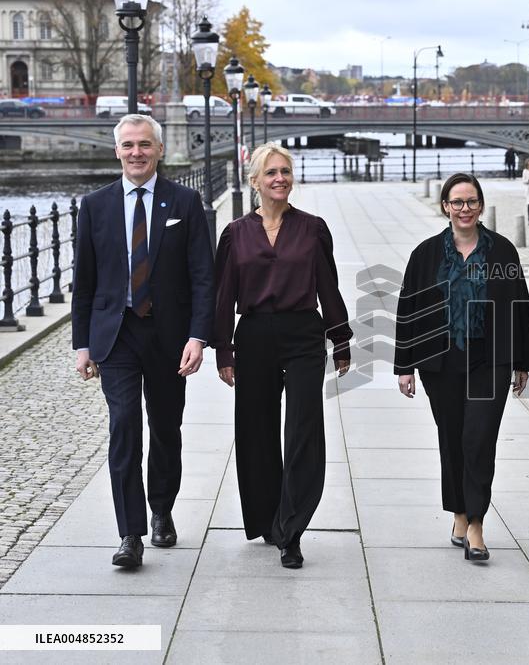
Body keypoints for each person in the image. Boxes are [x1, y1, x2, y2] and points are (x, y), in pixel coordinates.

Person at [72, 114, 214, 568]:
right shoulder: (95, 206)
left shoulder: (185, 202)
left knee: (166, 427)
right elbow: (84, 282)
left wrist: (198, 336)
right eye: (129, 145)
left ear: (159, 150)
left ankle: (162, 510)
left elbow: (202, 278)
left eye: (145, 145)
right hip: (116, 336)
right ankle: (129, 534)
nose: (136, 152)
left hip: (170, 336)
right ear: (117, 151)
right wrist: (82, 344)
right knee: (124, 427)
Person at [214, 143, 353, 569]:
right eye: (271, 173)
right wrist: (224, 348)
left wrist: (340, 338)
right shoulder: (236, 233)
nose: (280, 179)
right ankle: (267, 520)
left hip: (303, 335)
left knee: (302, 431)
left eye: (285, 172)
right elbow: (223, 296)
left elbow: (327, 285)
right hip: (254, 335)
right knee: (256, 432)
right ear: (254, 181)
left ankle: (292, 531)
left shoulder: (313, 228)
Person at [394, 172, 529, 563]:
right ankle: (458, 512)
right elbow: (407, 309)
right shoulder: (425, 255)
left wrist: (524, 361)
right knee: (452, 437)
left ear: (481, 205)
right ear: (445, 207)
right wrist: (404, 366)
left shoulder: (503, 251)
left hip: (490, 359)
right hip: (439, 362)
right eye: (457, 202)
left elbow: (520, 305)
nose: (464, 209)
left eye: (471, 201)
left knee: (479, 438)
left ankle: (475, 523)